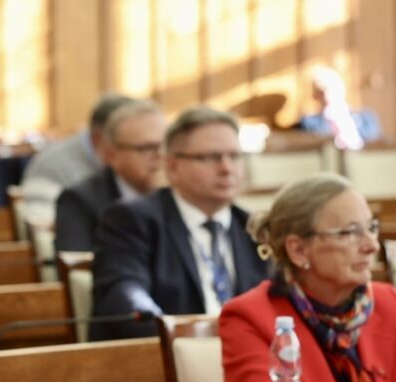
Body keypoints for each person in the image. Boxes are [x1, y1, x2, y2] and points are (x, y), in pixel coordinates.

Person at [221, 173, 396, 382]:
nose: (372, 245)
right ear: (299, 250)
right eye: (349, 233)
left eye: (371, 228)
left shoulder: (386, 302)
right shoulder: (249, 316)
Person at [92, 106, 269, 340]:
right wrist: (174, 337)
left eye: (235, 156)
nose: (227, 169)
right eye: (211, 157)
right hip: (164, 359)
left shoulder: (255, 229)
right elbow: (125, 296)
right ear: (173, 166)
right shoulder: (132, 220)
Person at [54, 99, 166, 253]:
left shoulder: (181, 193)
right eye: (146, 148)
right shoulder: (78, 200)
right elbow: (77, 270)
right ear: (111, 155)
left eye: (165, 146)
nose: (160, 156)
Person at [20, 93, 135, 222]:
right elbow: (41, 228)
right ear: (99, 138)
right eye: (140, 147)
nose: (156, 155)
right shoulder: (51, 166)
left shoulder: (146, 170)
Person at [296, 66, 381, 150]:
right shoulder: (309, 123)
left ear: (342, 89)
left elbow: (376, 145)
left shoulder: (366, 118)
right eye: (321, 91)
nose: (327, 95)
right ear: (315, 96)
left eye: (331, 88)